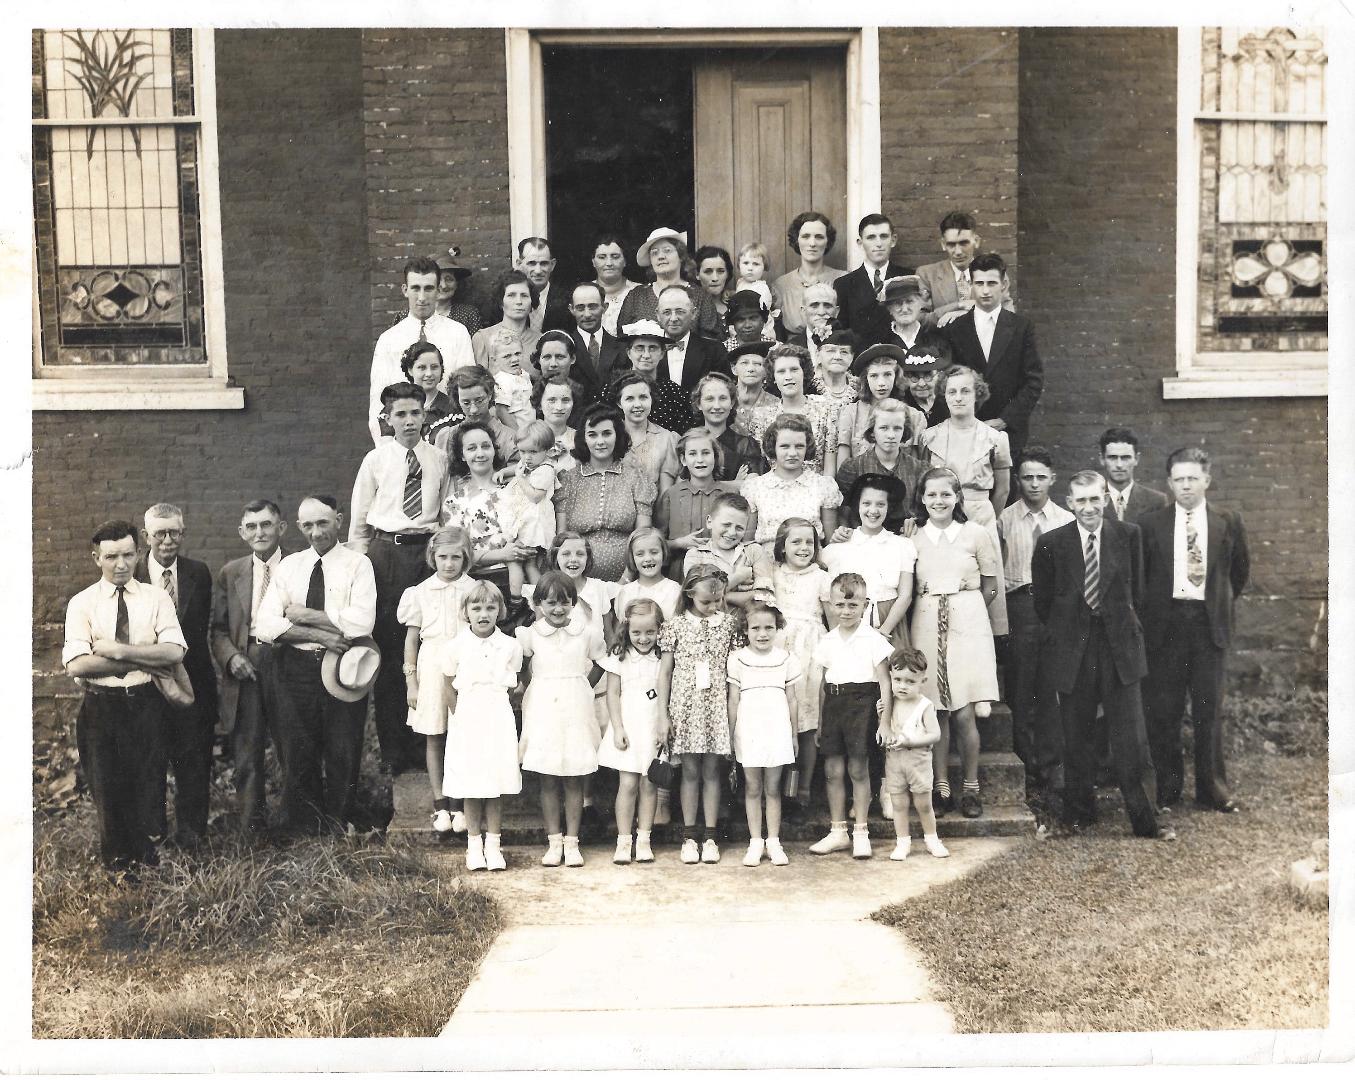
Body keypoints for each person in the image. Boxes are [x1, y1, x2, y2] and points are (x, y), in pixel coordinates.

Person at [1032, 471, 1174, 841]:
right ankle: (1080, 815)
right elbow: (1044, 602)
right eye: (1080, 500)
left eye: (1095, 499)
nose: (1089, 507)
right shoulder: (1051, 543)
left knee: (1131, 737)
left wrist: (1120, 625)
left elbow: (1139, 592)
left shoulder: (1129, 536)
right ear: (1069, 503)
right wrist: (1070, 630)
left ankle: (1145, 820)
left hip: (1118, 646)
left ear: (1106, 499)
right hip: (1074, 648)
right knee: (1076, 735)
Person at [64, 520, 186, 873]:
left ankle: (149, 859)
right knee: (107, 784)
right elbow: (77, 664)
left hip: (146, 702)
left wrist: (118, 651)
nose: (121, 564)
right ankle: (117, 865)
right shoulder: (82, 603)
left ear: (138, 553)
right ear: (96, 558)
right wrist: (145, 655)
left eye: (128, 555)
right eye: (111, 557)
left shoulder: (156, 598)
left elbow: (175, 651)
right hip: (101, 706)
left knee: (148, 780)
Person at [255, 495, 378, 834]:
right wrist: (320, 633)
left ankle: (339, 825)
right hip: (295, 667)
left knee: (343, 747)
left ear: (339, 520)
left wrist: (303, 615)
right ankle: (304, 830)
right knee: (297, 748)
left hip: (342, 666)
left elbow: (361, 622)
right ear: (298, 526)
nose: (316, 532)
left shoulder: (358, 565)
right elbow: (265, 625)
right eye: (307, 525)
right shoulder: (290, 566)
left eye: (323, 523)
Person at [1139, 447, 1250, 814]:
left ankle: (1212, 788)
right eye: (1179, 479)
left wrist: (1216, 605)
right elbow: (1142, 577)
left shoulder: (1227, 521)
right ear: (1169, 483)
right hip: (1166, 627)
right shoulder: (1151, 523)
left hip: (1208, 627)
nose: (1186, 485)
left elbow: (1238, 573)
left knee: (1209, 710)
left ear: (1207, 480)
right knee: (1164, 710)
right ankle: (1167, 788)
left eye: (1192, 478)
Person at [349, 383, 449, 774]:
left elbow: (444, 512)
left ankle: (427, 744)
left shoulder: (438, 458)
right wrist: (360, 569)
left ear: (425, 415)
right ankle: (394, 752)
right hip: (386, 554)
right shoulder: (376, 460)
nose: (409, 421)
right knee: (391, 649)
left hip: (426, 556)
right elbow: (359, 520)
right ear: (388, 418)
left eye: (415, 413)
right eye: (401, 414)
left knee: (427, 647)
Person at [910, 468, 1000, 821]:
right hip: (926, 622)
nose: (939, 501)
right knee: (935, 709)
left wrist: (966, 610)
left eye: (946, 494)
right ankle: (941, 786)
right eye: (931, 495)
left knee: (964, 712)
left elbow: (991, 586)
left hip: (967, 624)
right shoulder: (913, 537)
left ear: (958, 497)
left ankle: (971, 787)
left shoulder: (976, 534)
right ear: (922, 498)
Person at [997, 448, 1075, 820]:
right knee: (1022, 687)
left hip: (1056, 608)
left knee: (1051, 689)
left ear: (1052, 479)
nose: (1034, 484)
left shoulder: (1066, 519)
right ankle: (1026, 765)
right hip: (1019, 604)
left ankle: (1052, 768)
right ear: (1018, 480)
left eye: (1041, 477)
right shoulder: (1005, 519)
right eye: (1027, 477)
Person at [134, 502, 215, 848]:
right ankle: (153, 836)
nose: (167, 541)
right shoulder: (131, 573)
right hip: (146, 684)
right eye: (159, 534)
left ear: (183, 533)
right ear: (146, 536)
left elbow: (199, 632)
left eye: (174, 533)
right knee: (149, 763)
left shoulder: (199, 572)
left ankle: (192, 837)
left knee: (193, 762)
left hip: (192, 683)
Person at [518, 571, 607, 868]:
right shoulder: (530, 634)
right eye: (551, 603)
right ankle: (554, 842)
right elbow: (523, 668)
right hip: (544, 706)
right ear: (538, 604)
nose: (558, 609)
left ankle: (572, 842)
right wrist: (533, 686)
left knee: (574, 776)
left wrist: (584, 685)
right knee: (548, 777)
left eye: (564, 602)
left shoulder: (586, 632)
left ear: (573, 603)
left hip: (575, 706)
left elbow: (600, 662)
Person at [210, 499, 287, 842]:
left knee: (291, 749)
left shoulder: (297, 567)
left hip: (287, 663)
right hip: (247, 665)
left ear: (281, 528)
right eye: (252, 527)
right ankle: (251, 831)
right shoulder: (231, 572)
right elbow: (218, 630)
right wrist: (231, 658)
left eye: (266, 524)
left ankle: (294, 824)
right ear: (242, 533)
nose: (260, 532)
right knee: (248, 752)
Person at [658, 564, 742, 865]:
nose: (713, 606)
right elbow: (665, 673)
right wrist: (663, 715)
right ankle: (689, 836)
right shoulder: (675, 626)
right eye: (706, 601)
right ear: (690, 593)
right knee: (690, 772)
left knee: (712, 772)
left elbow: (736, 671)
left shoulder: (729, 625)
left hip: (717, 706)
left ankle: (710, 836)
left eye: (718, 600)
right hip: (686, 707)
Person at [920, 365, 1011, 636]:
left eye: (965, 391)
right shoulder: (930, 437)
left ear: (977, 394)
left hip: (980, 516)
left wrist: (983, 518)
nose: (958, 397)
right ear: (944, 396)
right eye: (952, 392)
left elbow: (1003, 489)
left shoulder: (995, 438)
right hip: (940, 517)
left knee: (983, 587)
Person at [807, 572, 893, 859]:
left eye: (853, 605)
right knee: (833, 771)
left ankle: (861, 832)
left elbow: (885, 683)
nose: (846, 611)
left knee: (858, 769)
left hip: (863, 705)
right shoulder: (828, 640)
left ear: (865, 605)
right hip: (834, 705)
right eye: (840, 605)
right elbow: (823, 684)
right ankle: (838, 832)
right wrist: (821, 723)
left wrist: (885, 721)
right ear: (831, 605)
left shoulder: (873, 639)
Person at [400, 527, 477, 835]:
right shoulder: (420, 592)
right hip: (431, 666)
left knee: (463, 735)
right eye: (443, 557)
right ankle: (440, 804)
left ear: (465, 558)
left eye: (455, 557)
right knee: (435, 736)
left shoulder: (474, 589)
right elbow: (411, 641)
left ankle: (459, 805)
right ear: (433, 557)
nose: (449, 564)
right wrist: (411, 682)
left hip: (465, 666)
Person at [442, 579, 524, 871]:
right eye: (476, 608)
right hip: (468, 718)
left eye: (490, 607)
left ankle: (494, 845)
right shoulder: (455, 646)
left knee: (495, 784)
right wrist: (461, 718)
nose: (483, 614)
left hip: (497, 717)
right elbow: (448, 686)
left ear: (500, 610)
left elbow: (514, 683)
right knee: (472, 783)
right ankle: (474, 845)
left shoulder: (510, 646)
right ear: (466, 611)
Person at [941, 252, 1043, 464]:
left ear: (1003, 284)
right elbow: (949, 380)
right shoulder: (955, 329)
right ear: (971, 285)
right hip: (966, 430)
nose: (985, 291)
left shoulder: (1021, 327)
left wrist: (1005, 419)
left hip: (1009, 432)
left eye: (992, 283)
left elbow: (1033, 381)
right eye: (979, 283)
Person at [369, 255, 475, 445]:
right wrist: (387, 450)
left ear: (438, 290)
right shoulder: (389, 339)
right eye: (416, 288)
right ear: (405, 290)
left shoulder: (457, 333)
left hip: (447, 435)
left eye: (428, 288)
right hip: (400, 440)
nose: (422, 297)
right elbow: (378, 400)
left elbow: (466, 390)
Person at [768, 518, 832, 823]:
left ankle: (802, 790)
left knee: (806, 723)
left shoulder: (821, 577)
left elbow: (833, 622)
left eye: (810, 542)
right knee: (779, 719)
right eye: (796, 541)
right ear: (782, 546)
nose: (804, 547)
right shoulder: (773, 574)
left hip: (811, 652)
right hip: (778, 649)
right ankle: (776, 790)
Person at [728, 599, 800, 867]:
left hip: (777, 728)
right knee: (753, 786)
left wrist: (793, 734)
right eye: (755, 628)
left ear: (777, 628)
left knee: (772, 787)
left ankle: (774, 841)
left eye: (769, 627)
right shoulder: (737, 659)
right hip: (749, 728)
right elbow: (733, 699)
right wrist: (730, 734)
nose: (762, 634)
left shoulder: (786, 658)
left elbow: (792, 699)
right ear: (746, 630)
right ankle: (755, 842)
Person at [554, 403, 656, 581]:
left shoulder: (636, 478)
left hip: (627, 579)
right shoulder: (568, 480)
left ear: (618, 436)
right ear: (584, 439)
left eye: (607, 433)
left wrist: (626, 580)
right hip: (577, 579)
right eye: (592, 435)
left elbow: (643, 537)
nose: (600, 441)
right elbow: (561, 539)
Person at [599, 597, 665, 864]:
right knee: (627, 784)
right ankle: (624, 841)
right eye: (637, 632)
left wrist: (664, 727)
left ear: (660, 629)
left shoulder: (663, 657)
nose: (644, 638)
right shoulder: (620, 655)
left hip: (653, 726)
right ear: (627, 629)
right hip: (628, 725)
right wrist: (617, 728)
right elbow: (612, 694)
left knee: (649, 784)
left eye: (650, 631)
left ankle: (644, 839)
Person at [440, 419, 531, 601]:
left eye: (485, 446)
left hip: (522, 579)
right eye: (471, 448)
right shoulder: (454, 503)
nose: (480, 453)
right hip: (478, 587)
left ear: (494, 449)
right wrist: (502, 555)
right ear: (462, 455)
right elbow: (457, 553)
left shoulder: (516, 489)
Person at [822, 474, 916, 643]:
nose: (873, 510)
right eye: (866, 503)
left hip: (890, 623)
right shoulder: (840, 545)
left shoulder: (902, 545)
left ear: (889, 507)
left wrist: (884, 631)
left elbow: (905, 595)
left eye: (880, 504)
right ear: (858, 505)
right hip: (850, 623)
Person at [880, 647, 950, 860]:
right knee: (899, 804)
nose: (902, 686)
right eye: (898, 679)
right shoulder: (890, 703)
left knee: (923, 804)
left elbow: (935, 734)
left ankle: (932, 840)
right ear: (891, 676)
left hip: (918, 761)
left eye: (910, 681)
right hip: (895, 761)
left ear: (922, 681)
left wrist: (911, 741)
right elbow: (884, 731)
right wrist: (881, 717)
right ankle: (903, 843)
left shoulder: (924, 706)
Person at [741, 412, 843, 543]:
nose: (793, 453)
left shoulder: (823, 486)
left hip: (809, 554)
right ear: (773, 447)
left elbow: (831, 542)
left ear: (807, 447)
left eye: (799, 446)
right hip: (766, 554)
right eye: (785, 446)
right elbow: (747, 542)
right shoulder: (755, 487)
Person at [656, 427, 739, 577]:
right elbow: (656, 542)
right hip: (680, 573)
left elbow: (741, 536)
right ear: (683, 460)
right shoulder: (672, 495)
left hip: (722, 571)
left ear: (715, 457)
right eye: (692, 454)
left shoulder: (730, 494)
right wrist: (679, 543)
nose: (700, 459)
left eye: (706, 453)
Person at [745, 344, 839, 475]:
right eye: (781, 371)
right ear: (774, 377)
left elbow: (830, 467)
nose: (788, 376)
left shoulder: (825, 408)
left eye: (794, 370)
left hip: (816, 484)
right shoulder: (761, 417)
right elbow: (759, 467)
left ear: (804, 373)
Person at [835, 399, 928, 530]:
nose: (891, 435)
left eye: (897, 428)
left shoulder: (919, 470)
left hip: (907, 538)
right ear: (872, 431)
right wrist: (845, 531)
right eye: (883, 428)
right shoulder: (853, 468)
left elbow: (926, 512)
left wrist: (917, 523)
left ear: (904, 431)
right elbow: (843, 514)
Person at [498, 421, 559, 617]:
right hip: (523, 522)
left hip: (533, 525)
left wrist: (520, 478)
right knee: (523, 562)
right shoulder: (529, 464)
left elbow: (535, 496)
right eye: (522, 451)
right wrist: (504, 472)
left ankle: (523, 601)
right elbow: (518, 467)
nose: (527, 457)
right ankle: (532, 600)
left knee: (523, 562)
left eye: (533, 452)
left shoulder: (546, 470)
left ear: (547, 450)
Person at [916, 210, 1015, 330]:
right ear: (943, 244)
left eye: (964, 243)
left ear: (976, 241)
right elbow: (920, 321)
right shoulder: (927, 275)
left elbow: (1009, 318)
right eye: (951, 244)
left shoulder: (994, 273)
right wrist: (959, 305)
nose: (958, 252)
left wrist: (966, 314)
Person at [618, 228, 722, 338]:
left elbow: (711, 341)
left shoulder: (700, 296)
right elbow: (622, 336)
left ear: (681, 256)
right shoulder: (637, 296)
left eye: (667, 251)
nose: (661, 257)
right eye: (654, 253)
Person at [680, 491, 773, 611]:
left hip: (747, 621)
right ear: (709, 522)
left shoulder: (754, 551)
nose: (732, 532)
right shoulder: (696, 555)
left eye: (739, 528)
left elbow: (766, 598)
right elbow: (698, 596)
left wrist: (720, 595)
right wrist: (738, 577)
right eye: (726, 525)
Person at [834, 213, 914, 342]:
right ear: (860, 243)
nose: (878, 243)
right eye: (871, 237)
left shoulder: (908, 278)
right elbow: (842, 332)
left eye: (884, 236)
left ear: (893, 240)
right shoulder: (844, 285)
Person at [656, 286, 731, 414]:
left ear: (694, 313)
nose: (673, 318)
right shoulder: (647, 352)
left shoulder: (714, 351)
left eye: (680, 312)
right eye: (667, 312)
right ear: (658, 315)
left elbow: (724, 393)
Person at [773, 211, 846, 338]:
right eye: (806, 236)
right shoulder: (781, 285)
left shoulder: (843, 279)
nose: (812, 243)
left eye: (819, 237)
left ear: (827, 241)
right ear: (797, 240)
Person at [836, 343, 912, 462]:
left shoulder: (913, 415)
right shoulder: (850, 413)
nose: (881, 383)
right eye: (874, 376)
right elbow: (842, 464)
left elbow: (916, 466)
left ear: (896, 376)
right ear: (865, 379)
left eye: (887, 374)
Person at [611, 370, 681, 501]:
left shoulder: (667, 439)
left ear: (651, 399)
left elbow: (666, 493)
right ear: (619, 403)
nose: (637, 404)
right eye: (629, 398)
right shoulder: (609, 436)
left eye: (643, 397)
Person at [614, 319, 691, 435]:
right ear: (629, 353)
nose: (646, 355)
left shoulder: (675, 393)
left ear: (662, 353)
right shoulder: (613, 390)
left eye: (652, 348)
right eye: (639, 348)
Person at [433, 366, 520, 467]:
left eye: (479, 401)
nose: (473, 410)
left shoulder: (510, 438)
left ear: (490, 395)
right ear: (458, 400)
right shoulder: (446, 438)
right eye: (466, 403)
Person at [691, 372, 765, 482]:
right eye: (710, 399)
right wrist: (733, 484)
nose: (717, 406)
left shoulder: (745, 446)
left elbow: (750, 484)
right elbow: (684, 486)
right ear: (699, 404)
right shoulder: (690, 442)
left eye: (723, 398)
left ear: (732, 402)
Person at [566, 282, 628, 403]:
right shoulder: (565, 347)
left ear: (604, 307)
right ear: (571, 309)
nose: (587, 314)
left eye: (593, 307)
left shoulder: (622, 347)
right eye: (580, 308)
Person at [472, 269, 542, 371]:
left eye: (524, 295)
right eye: (511, 295)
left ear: (531, 301)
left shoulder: (541, 341)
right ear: (501, 302)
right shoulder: (483, 338)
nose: (518, 301)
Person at [870, 275, 952, 361]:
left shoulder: (937, 341)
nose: (904, 309)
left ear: (920, 304)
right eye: (898, 303)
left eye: (910, 301)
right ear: (889, 308)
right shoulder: (880, 343)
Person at [1100, 427, 1170, 523]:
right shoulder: (1091, 499)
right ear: (1102, 459)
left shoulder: (1156, 501)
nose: (1119, 465)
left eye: (1125, 458)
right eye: (1112, 458)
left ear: (1136, 459)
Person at [614, 527, 682, 621]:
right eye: (640, 554)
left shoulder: (675, 591)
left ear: (663, 552)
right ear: (632, 557)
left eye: (654, 552)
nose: (648, 558)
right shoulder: (625, 592)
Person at [400, 341, 456, 443]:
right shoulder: (397, 406)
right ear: (410, 370)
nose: (429, 373)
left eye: (434, 367)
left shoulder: (452, 409)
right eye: (422, 367)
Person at [514, 236, 572, 333]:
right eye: (532, 263)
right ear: (519, 264)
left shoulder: (567, 299)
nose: (538, 271)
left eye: (544, 263)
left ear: (552, 265)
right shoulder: (507, 301)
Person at [531, 332, 589, 427]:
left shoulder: (582, 395)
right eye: (547, 357)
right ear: (539, 360)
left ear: (572, 359)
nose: (553, 364)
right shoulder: (527, 391)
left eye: (560, 357)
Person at [590, 233, 641, 337]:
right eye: (602, 257)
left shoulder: (640, 292)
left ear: (625, 261)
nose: (609, 263)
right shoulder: (583, 292)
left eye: (615, 257)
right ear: (593, 262)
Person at [487, 332, 537, 430]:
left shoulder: (524, 374)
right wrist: (517, 433)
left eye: (517, 354)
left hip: (530, 429)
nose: (514, 359)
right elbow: (501, 411)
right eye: (507, 356)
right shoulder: (502, 380)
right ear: (494, 360)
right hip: (516, 431)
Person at [732, 241, 780, 336]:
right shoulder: (740, 283)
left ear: (764, 266)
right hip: (743, 324)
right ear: (739, 264)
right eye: (746, 263)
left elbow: (760, 314)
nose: (750, 268)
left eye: (756, 264)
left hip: (761, 329)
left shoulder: (762, 288)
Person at [729, 340, 776, 433]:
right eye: (744, 363)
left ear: (766, 370)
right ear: (734, 369)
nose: (750, 369)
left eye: (758, 364)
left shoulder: (776, 405)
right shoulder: (724, 401)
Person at [534, 375, 581, 467]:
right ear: (539, 404)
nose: (559, 407)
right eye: (552, 400)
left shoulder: (580, 439)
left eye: (565, 400)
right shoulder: (528, 437)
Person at [434, 247, 481, 334]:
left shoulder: (468, 314)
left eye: (449, 279)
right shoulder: (415, 314)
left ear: (456, 284)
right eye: (438, 279)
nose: (443, 286)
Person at [694, 244, 734, 320]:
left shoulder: (735, 306)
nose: (715, 278)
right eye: (708, 272)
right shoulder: (692, 307)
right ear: (697, 274)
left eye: (720, 271)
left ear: (728, 274)